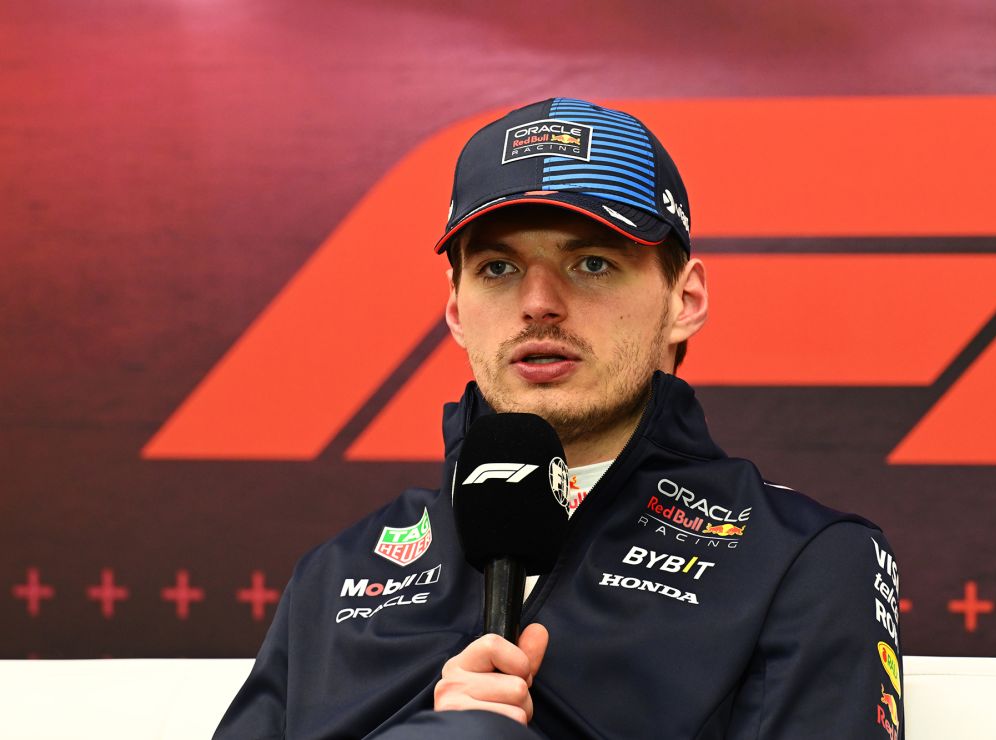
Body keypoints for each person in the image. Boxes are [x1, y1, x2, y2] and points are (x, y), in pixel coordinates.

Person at [215, 98, 905, 739]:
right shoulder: (339, 571)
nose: (539, 302)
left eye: (594, 263)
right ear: (456, 311)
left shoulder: (798, 557)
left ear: (685, 299)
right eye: (497, 269)